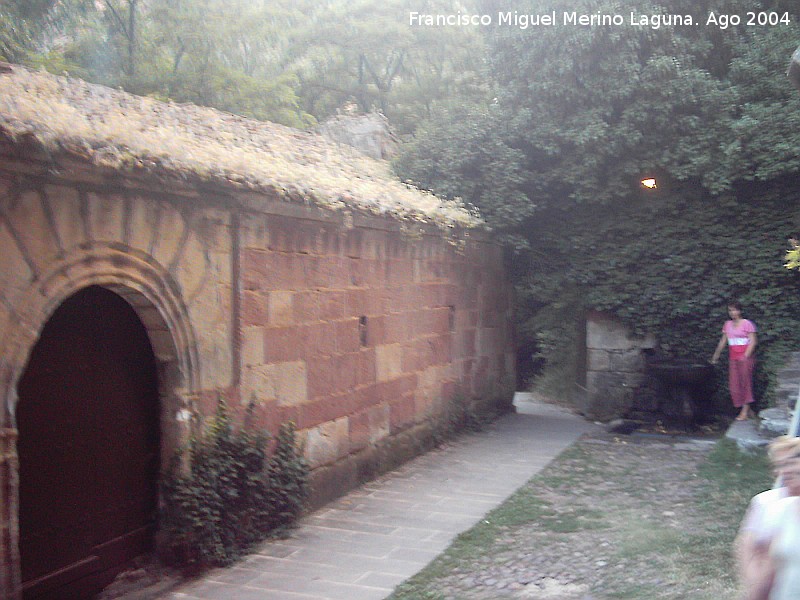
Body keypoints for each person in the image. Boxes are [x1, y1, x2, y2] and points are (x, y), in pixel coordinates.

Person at [735, 436, 800, 598]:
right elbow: (749, 549)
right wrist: (755, 586)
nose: (785, 471)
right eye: (781, 465)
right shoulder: (770, 505)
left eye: (791, 464)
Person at [711, 301, 757, 420]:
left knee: (745, 383)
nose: (733, 313)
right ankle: (748, 409)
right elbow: (723, 341)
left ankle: (744, 412)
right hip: (733, 358)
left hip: (745, 359)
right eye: (730, 310)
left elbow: (753, 341)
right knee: (734, 386)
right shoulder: (727, 324)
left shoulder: (747, 324)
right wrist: (716, 356)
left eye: (735, 310)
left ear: (740, 311)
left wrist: (745, 356)